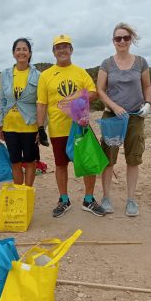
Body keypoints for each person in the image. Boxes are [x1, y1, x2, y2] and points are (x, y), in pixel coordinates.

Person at [37, 34, 105, 218]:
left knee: (88, 163)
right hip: (58, 129)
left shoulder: (80, 72)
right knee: (60, 165)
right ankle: (64, 199)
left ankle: (88, 199)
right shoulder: (46, 76)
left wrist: (76, 98)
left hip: (80, 126)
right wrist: (40, 128)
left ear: (71, 50)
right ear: (53, 52)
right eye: (58, 47)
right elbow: (42, 103)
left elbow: (93, 93)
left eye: (65, 46)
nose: (62, 50)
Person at [96, 22, 151, 216]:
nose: (122, 41)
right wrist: (115, 107)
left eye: (126, 38)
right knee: (108, 159)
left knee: (133, 158)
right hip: (112, 117)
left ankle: (131, 200)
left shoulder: (141, 62)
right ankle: (106, 197)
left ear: (131, 40)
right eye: (118, 38)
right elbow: (100, 90)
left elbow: (147, 86)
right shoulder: (107, 63)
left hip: (135, 117)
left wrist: (148, 103)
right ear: (113, 41)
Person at [0, 38, 41, 186]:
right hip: (10, 126)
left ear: (29, 53)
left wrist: (41, 128)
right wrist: (1, 124)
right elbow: (2, 100)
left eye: (24, 49)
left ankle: (27, 193)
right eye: (18, 49)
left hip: (30, 125)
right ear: (13, 53)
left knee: (30, 161)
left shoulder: (38, 76)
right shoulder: (5, 74)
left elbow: (42, 104)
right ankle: (18, 194)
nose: (21, 52)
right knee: (15, 162)